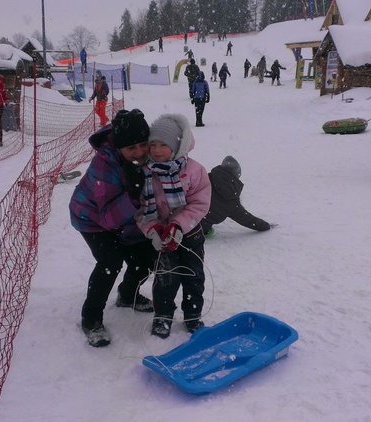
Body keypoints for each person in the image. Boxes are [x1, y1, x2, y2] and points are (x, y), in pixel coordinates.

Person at [69, 109, 157, 347]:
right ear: (119, 147)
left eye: (142, 144)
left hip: (128, 217)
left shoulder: (150, 157)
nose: (139, 152)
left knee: (147, 255)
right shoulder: (104, 164)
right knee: (111, 261)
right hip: (91, 218)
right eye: (131, 149)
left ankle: (128, 295)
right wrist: (132, 194)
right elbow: (109, 218)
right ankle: (91, 319)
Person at [136, 113, 211, 339]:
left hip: (190, 235)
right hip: (162, 238)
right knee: (165, 278)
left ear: (178, 146)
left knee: (193, 277)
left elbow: (200, 203)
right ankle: (163, 316)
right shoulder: (145, 173)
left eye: (164, 145)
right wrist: (152, 229)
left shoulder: (194, 171)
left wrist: (179, 225)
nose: (157, 150)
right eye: (153, 145)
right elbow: (140, 209)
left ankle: (193, 316)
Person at [201, 156, 274, 236]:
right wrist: (265, 226)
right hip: (199, 229)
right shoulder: (232, 201)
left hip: (187, 217)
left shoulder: (205, 179)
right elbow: (247, 219)